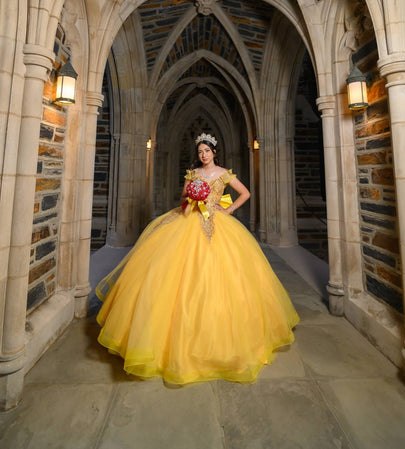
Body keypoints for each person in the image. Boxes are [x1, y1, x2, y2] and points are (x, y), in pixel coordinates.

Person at [95, 133, 299, 385]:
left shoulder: (225, 174)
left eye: (207, 151)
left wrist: (228, 209)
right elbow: (181, 200)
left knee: (225, 276)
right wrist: (192, 198)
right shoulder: (192, 174)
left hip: (217, 222)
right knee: (169, 273)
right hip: (188, 221)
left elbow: (245, 193)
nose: (203, 155)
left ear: (215, 152)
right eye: (200, 152)